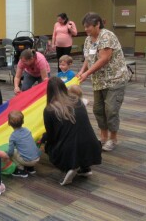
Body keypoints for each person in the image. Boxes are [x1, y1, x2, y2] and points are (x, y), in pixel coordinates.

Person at [76, 12, 131, 152]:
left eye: (88, 26)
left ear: (97, 25)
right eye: (85, 26)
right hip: (99, 81)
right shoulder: (89, 39)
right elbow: (88, 58)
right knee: (98, 110)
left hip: (115, 79)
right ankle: (103, 138)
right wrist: (82, 71)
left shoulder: (106, 36)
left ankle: (113, 139)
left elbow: (104, 58)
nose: (86, 29)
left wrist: (87, 73)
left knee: (111, 109)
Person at [43, 77, 102, 186]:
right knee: (77, 136)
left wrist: (44, 140)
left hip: (69, 150)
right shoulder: (77, 100)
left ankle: (69, 167)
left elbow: (51, 136)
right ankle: (85, 168)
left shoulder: (49, 109)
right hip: (92, 145)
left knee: (49, 146)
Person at [5, 111, 41, 178]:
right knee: (26, 149)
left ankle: (20, 170)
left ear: (9, 123)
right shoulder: (27, 130)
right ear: (23, 121)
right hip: (37, 158)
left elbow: (10, 152)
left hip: (28, 161)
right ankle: (30, 168)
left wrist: (6, 155)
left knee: (13, 152)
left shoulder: (13, 136)